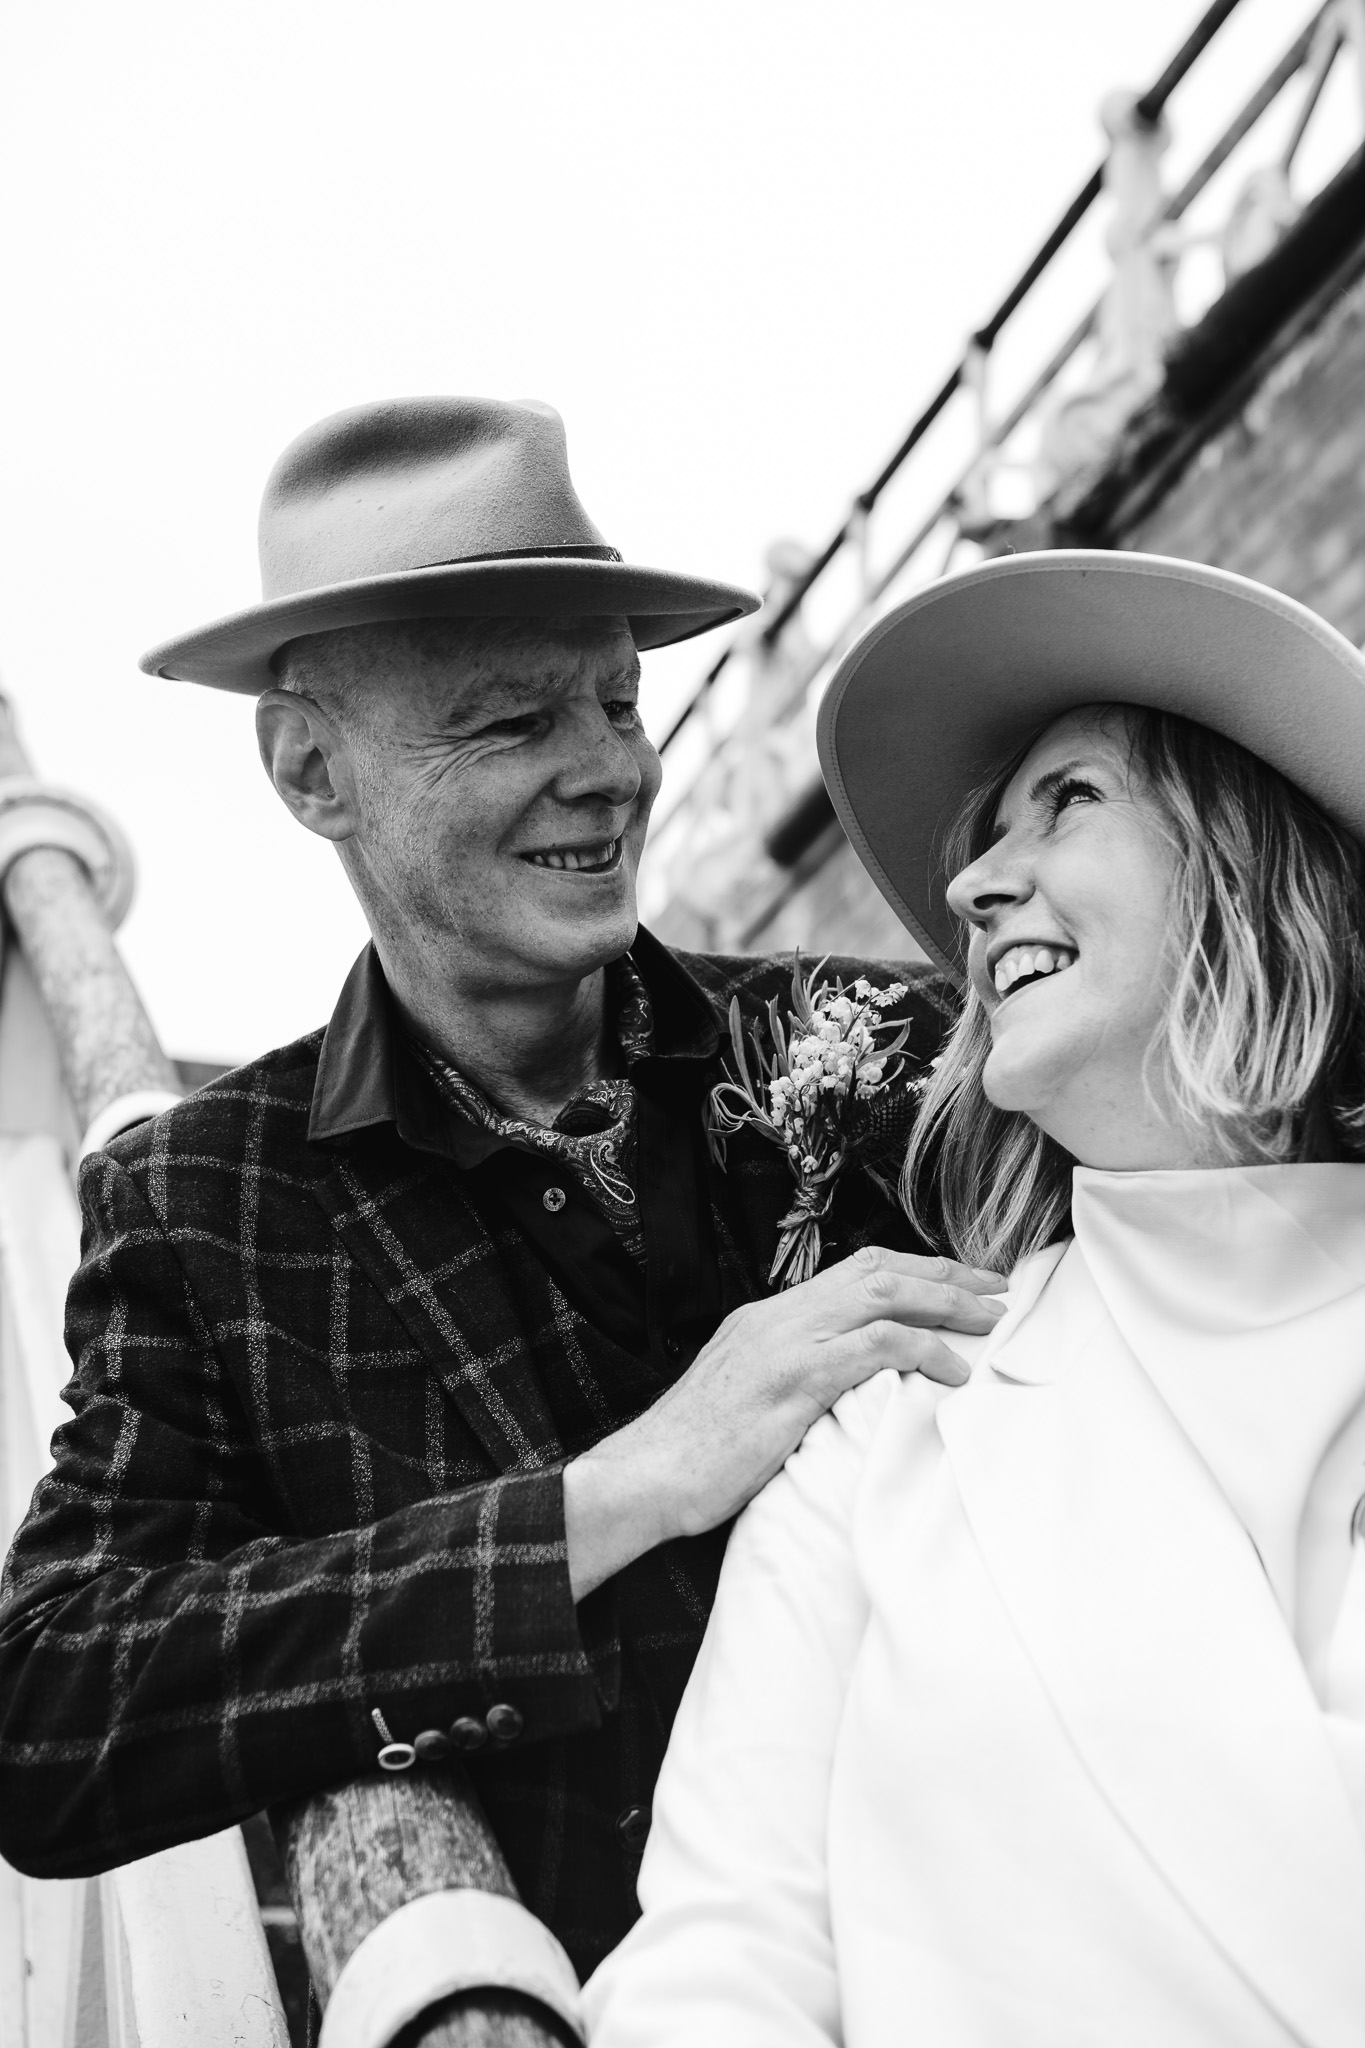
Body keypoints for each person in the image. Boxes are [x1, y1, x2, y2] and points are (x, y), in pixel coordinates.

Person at [0, 396, 1003, 1990]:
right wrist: (614, 1496)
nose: (610, 772)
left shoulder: (896, 1047)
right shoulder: (199, 1206)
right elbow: (56, 1712)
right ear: (309, 770)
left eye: (616, 702)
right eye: (511, 723)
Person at [583, 549, 1365, 2047]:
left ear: (1253, 856)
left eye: (1067, 801)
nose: (966, 885)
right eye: (982, 835)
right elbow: (722, 1956)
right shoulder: (887, 1439)